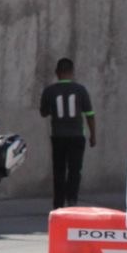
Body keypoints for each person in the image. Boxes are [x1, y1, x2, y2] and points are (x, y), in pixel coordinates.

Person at [40, 56, 96, 209]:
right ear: (72, 72)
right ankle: (72, 201)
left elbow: (43, 112)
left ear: (57, 72)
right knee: (75, 170)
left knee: (59, 170)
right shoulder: (80, 90)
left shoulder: (50, 91)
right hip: (77, 136)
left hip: (58, 136)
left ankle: (58, 204)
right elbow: (90, 114)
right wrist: (93, 135)